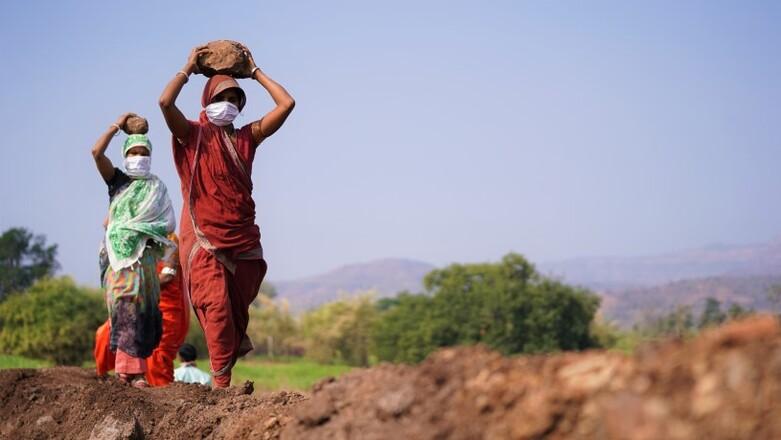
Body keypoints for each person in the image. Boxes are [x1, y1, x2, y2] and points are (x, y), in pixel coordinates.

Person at [158, 45, 295, 388]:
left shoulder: (247, 138)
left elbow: (287, 104)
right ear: (206, 100)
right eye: (223, 97)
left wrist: (255, 72)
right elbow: (164, 103)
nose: (229, 104)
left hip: (242, 237)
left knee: (234, 308)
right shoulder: (192, 136)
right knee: (216, 306)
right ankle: (222, 386)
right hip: (205, 240)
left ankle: (228, 352)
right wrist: (188, 67)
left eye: (235, 99)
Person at [91, 113, 176, 388]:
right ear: (126, 155)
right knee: (123, 306)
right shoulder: (118, 181)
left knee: (141, 311)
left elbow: (167, 222)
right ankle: (131, 372)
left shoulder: (156, 188)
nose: (138, 157)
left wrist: (143, 231)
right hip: (118, 259)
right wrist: (117, 124)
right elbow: (96, 152)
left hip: (145, 259)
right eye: (133, 152)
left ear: (150, 157)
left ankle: (131, 372)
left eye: (143, 153)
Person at [94, 233, 189, 387]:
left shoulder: (169, 240)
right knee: (104, 336)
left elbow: (167, 276)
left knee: (156, 358)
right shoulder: (134, 238)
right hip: (135, 306)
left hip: (163, 310)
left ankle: (163, 401)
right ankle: (104, 382)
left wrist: (137, 285)